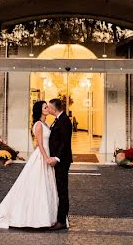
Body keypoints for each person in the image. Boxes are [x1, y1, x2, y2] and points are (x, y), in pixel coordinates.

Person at [0, 101, 58, 229]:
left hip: (45, 155)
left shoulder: (46, 124)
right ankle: (35, 217)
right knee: (37, 184)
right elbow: (39, 144)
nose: (47, 109)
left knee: (44, 185)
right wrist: (46, 157)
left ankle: (45, 216)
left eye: (47, 107)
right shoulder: (39, 125)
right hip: (41, 157)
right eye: (45, 107)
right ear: (39, 110)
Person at [46, 97, 73, 230]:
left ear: (54, 108)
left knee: (62, 190)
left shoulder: (65, 121)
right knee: (60, 189)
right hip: (59, 160)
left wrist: (56, 158)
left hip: (62, 161)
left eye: (49, 107)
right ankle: (62, 217)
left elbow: (64, 142)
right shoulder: (58, 120)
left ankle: (62, 220)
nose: (48, 109)